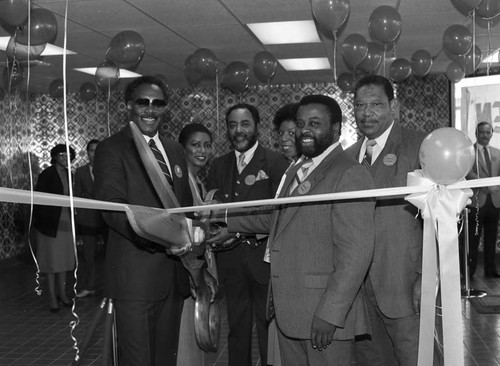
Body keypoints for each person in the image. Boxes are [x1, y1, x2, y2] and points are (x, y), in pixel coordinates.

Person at [222, 94, 376, 366]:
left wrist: (330, 314)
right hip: (290, 311)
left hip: (324, 315)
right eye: (301, 123)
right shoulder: (298, 169)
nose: (305, 130)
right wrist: (222, 217)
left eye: (315, 123)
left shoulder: (348, 173)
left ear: (336, 129)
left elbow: (356, 252)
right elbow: (278, 220)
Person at [93, 75, 193, 366]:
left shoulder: (174, 150)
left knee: (165, 358)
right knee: (136, 360)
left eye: (158, 103)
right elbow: (112, 210)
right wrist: (160, 241)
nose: (150, 109)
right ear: (128, 106)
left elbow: (182, 207)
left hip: (173, 277)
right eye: (143, 102)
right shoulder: (112, 149)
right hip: (135, 277)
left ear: (165, 108)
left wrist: (190, 238)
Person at [346, 75, 427, 366]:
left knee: (415, 357)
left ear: (393, 106)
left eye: (376, 104)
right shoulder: (345, 158)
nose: (366, 113)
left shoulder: (419, 146)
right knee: (371, 360)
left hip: (403, 281)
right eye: (359, 105)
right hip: (355, 287)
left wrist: (427, 277)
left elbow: (440, 219)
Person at [206, 103, 289, 366]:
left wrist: (235, 228)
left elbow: (280, 215)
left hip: (264, 261)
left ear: (256, 127)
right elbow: (212, 210)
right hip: (230, 262)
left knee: (268, 329)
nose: (238, 131)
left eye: (244, 124)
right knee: (237, 329)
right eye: (232, 125)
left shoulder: (276, 162)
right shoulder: (218, 165)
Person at [177, 122, 217, 366]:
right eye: (195, 145)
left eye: (207, 145)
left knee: (197, 332)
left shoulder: (198, 182)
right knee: (186, 337)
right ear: (182, 149)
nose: (202, 150)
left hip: (201, 266)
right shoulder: (180, 183)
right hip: (188, 267)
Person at [33, 144, 76, 313]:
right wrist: (45, 219)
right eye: (61, 155)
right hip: (49, 224)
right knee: (51, 263)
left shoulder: (69, 174)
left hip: (65, 221)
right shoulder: (47, 174)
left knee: (64, 261)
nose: (65, 158)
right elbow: (39, 199)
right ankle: (52, 297)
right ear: (55, 156)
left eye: (68, 155)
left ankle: (63, 295)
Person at [464, 121, 500, 278]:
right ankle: (469, 272)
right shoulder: (468, 152)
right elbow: (467, 172)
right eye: (482, 132)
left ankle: (490, 270)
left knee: (491, 238)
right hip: (477, 202)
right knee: (473, 238)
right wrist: (486, 186)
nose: (485, 135)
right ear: (476, 134)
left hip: (495, 201)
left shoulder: (498, 152)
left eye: (488, 132)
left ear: (492, 134)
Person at [74, 139, 104, 298]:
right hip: (87, 219)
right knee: (88, 255)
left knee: (112, 254)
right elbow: (77, 195)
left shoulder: (109, 170)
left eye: (98, 150)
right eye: (92, 150)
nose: (95, 153)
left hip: (107, 218)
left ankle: (110, 288)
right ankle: (89, 286)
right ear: (88, 153)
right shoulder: (80, 172)